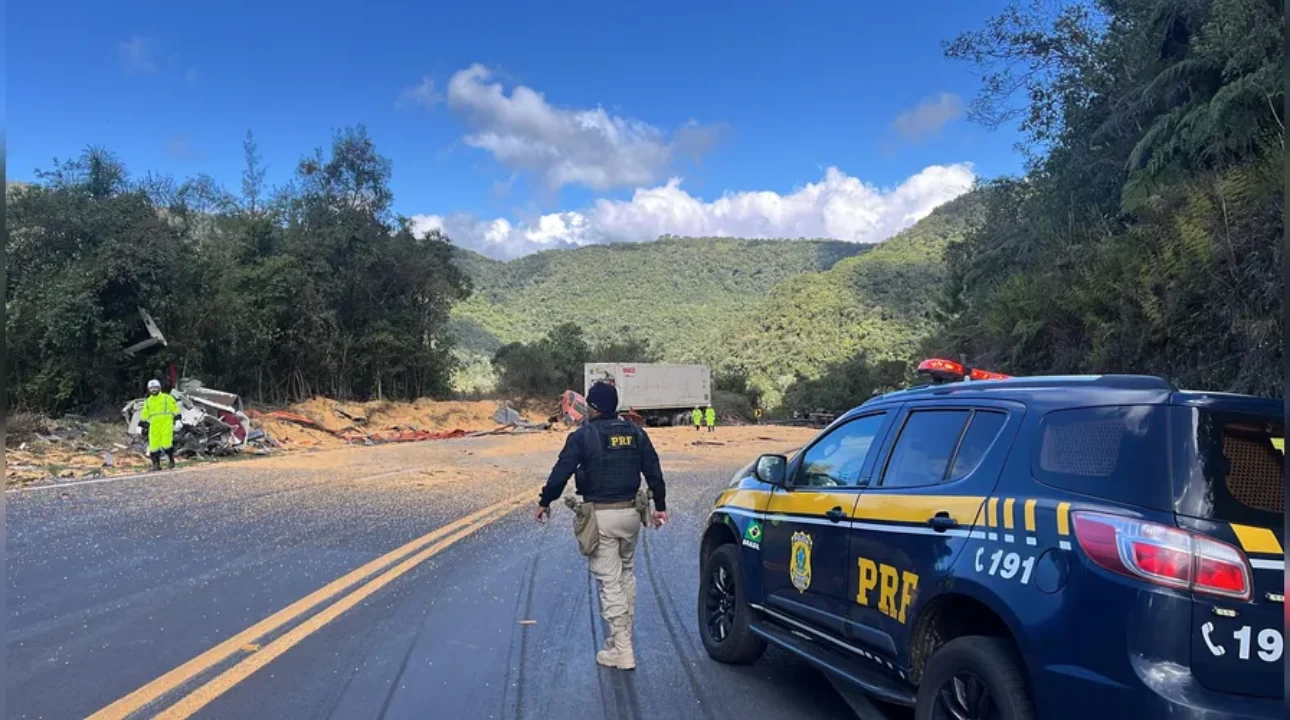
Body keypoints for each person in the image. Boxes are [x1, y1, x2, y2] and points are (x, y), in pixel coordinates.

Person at [536, 381, 667, 671]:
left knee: (610, 583)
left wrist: (545, 501)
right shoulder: (636, 433)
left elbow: (561, 473)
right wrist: (661, 506)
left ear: (593, 407)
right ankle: (618, 640)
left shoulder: (582, 436)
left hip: (601, 518)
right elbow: (653, 470)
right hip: (632, 515)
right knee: (626, 575)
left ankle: (622, 651)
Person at [139, 379, 180, 471]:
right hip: (154, 425)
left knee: (166, 444)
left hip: (166, 424)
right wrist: (140, 425)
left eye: (155, 387)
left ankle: (171, 461)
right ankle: (156, 465)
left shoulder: (167, 398)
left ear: (159, 388)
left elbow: (175, 409)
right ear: (148, 389)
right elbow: (144, 414)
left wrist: (178, 421)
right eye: (151, 388)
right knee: (153, 446)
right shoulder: (148, 401)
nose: (153, 389)